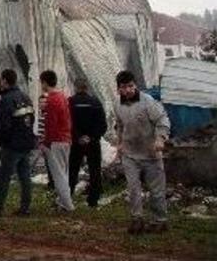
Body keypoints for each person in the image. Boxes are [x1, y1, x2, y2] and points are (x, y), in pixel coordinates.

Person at [114, 70, 171, 234]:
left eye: (131, 86)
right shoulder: (117, 104)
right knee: (133, 188)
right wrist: (119, 144)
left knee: (156, 190)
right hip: (130, 154)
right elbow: (120, 125)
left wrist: (160, 138)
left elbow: (163, 119)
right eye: (124, 87)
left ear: (135, 85)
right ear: (118, 89)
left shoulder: (148, 102)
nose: (128, 90)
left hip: (151, 153)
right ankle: (137, 219)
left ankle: (160, 220)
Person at [0, 69, 36, 217]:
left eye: (0, 80)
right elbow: (31, 119)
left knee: (4, 177)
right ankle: (25, 207)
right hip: (26, 143)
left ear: (4, 80)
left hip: (13, 145)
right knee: (25, 176)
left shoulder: (7, 99)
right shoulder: (25, 97)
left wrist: (4, 142)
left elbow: (5, 125)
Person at [38, 70, 74, 212]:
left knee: (58, 175)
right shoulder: (63, 97)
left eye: (41, 82)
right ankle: (62, 202)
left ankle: (67, 204)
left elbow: (50, 124)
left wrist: (44, 142)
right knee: (63, 172)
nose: (41, 85)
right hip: (65, 139)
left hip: (55, 141)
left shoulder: (51, 100)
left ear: (45, 82)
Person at [68, 79, 108, 208]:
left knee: (72, 170)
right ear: (87, 87)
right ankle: (93, 200)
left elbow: (68, 123)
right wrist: (91, 137)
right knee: (95, 170)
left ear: (76, 87)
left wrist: (78, 136)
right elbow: (103, 125)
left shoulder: (70, 102)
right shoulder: (95, 102)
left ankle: (67, 197)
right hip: (93, 142)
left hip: (76, 142)